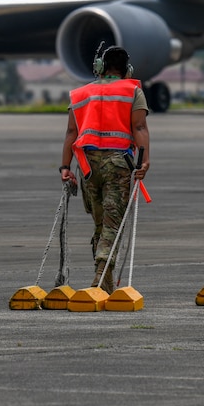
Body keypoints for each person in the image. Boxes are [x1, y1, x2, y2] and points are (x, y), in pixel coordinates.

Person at [58, 45, 151, 293]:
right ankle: (100, 273)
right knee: (113, 223)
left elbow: (71, 132)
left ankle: (105, 282)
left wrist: (65, 167)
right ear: (126, 69)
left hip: (87, 166)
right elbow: (139, 128)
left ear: (99, 67)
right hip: (118, 164)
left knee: (101, 224)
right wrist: (144, 162)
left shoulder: (80, 94)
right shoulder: (132, 91)